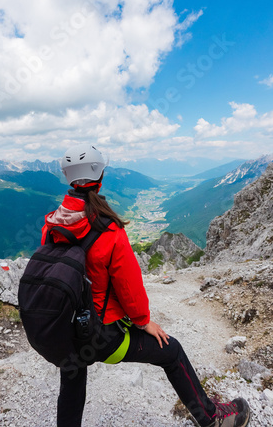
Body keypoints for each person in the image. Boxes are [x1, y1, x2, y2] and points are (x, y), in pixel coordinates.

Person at [41, 144, 250, 427]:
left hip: (66, 330)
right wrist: (143, 322)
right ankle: (213, 418)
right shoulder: (109, 230)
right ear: (100, 176)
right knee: (172, 351)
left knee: (73, 371)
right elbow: (129, 286)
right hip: (99, 335)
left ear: (68, 178)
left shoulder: (54, 222)